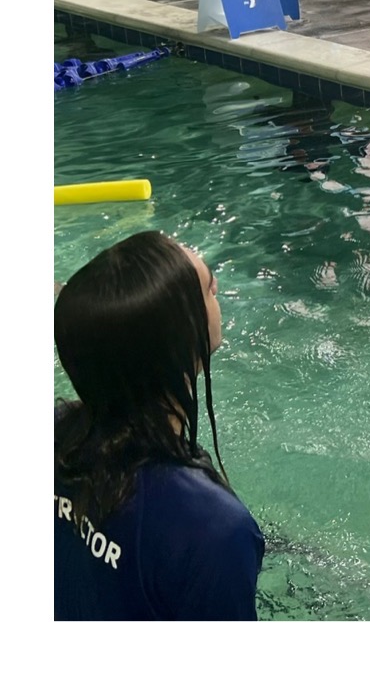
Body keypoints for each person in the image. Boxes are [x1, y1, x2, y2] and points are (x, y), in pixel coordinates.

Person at [55, 232, 265, 619]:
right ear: (178, 345)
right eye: (208, 288)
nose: (217, 287)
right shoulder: (214, 529)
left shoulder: (56, 433)